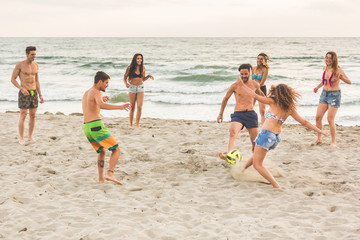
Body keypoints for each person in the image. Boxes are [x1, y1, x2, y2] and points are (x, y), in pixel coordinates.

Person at [238, 82, 329, 188]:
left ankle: (276, 185)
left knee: (257, 165)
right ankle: (243, 169)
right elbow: (304, 122)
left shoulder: (272, 101)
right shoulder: (289, 108)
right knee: (257, 155)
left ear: (277, 93)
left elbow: (254, 96)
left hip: (266, 135)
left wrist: (242, 85)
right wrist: (319, 131)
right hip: (275, 137)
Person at [83, 71, 131, 185]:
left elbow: (93, 105)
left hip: (87, 127)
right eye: (106, 83)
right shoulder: (97, 92)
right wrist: (120, 107)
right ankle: (110, 173)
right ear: (100, 82)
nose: (107, 85)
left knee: (102, 151)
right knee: (116, 149)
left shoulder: (87, 92)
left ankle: (101, 179)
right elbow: (101, 105)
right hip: (96, 126)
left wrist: (101, 99)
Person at [217, 64, 264, 160]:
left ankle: (255, 160)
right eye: (242, 74)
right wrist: (221, 114)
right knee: (232, 132)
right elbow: (225, 99)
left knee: (255, 142)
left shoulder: (255, 84)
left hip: (251, 114)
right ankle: (230, 156)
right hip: (238, 114)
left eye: (246, 74)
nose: (244, 76)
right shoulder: (235, 86)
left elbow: (261, 96)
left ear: (250, 73)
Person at [312, 51, 351, 147]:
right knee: (318, 117)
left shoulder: (338, 69)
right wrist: (317, 87)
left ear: (334, 60)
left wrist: (341, 78)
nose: (328, 60)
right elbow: (324, 81)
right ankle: (319, 138)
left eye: (330, 58)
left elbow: (349, 81)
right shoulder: (325, 68)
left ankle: (333, 141)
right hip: (324, 94)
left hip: (334, 95)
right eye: (327, 58)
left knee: (330, 119)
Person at [11, 46, 44, 145]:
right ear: (27, 54)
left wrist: (40, 95)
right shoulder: (20, 65)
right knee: (23, 114)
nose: (34, 56)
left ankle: (30, 136)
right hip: (24, 93)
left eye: (35, 54)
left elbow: (37, 81)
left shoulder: (36, 65)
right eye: (32, 54)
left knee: (33, 115)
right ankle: (21, 138)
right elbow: (13, 79)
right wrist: (21, 88)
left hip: (34, 92)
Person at [123, 53, 154, 128]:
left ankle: (137, 124)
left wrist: (148, 76)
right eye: (138, 58)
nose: (140, 60)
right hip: (132, 88)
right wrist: (126, 83)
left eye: (141, 58)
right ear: (135, 59)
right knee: (132, 107)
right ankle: (131, 125)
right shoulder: (130, 68)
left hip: (140, 87)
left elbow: (143, 79)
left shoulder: (143, 68)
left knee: (139, 107)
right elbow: (125, 77)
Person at [252, 53, 270, 124]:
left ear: (264, 60)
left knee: (262, 111)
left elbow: (262, 82)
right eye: (258, 58)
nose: (259, 60)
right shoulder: (253, 68)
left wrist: (257, 89)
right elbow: (252, 80)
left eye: (261, 59)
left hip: (261, 89)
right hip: (253, 89)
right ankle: (248, 126)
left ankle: (263, 128)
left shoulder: (265, 69)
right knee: (250, 109)